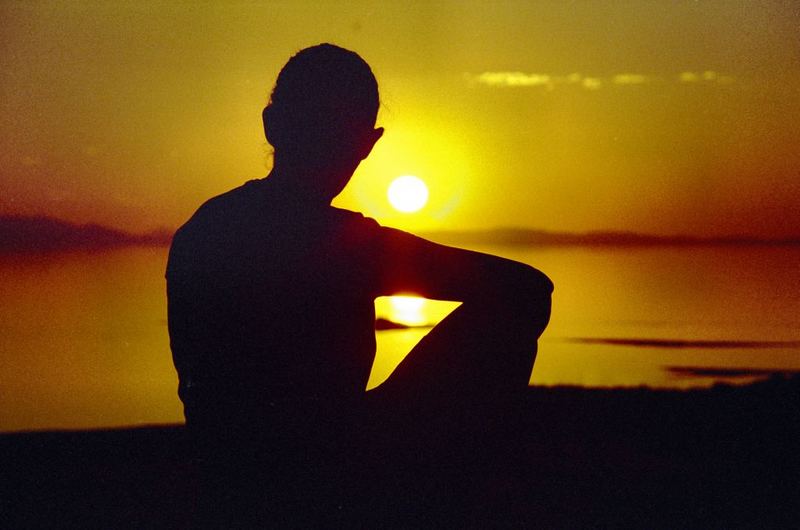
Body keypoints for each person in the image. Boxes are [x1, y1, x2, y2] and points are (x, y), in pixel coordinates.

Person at [166, 43, 552, 527]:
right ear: (368, 144)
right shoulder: (350, 246)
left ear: (271, 124)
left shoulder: (202, 230)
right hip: (332, 481)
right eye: (321, 129)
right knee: (515, 309)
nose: (330, 148)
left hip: (228, 483)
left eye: (336, 133)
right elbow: (527, 289)